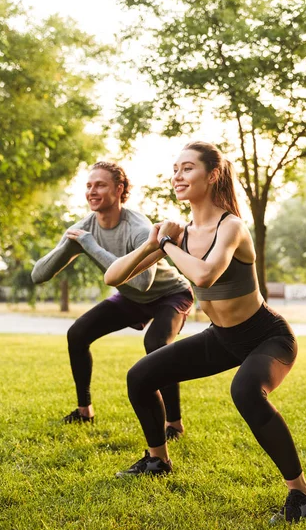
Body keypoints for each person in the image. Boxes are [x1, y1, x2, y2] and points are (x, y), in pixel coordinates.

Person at [104, 142, 306, 524]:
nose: (177, 177)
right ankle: (157, 460)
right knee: (140, 375)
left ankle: (300, 495)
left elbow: (204, 274)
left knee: (246, 391)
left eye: (187, 169)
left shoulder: (230, 226)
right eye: (175, 169)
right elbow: (113, 277)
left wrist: (166, 245)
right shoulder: (179, 235)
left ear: (212, 175)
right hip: (222, 338)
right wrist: (152, 244)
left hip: (267, 336)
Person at [31, 161, 193, 436]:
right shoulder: (83, 227)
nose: (92, 191)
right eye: (89, 186)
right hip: (130, 298)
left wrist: (91, 245)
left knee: (156, 344)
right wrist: (69, 246)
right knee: (78, 334)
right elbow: (38, 275)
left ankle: (173, 424)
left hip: (170, 294)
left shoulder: (138, 227)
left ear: (119, 189)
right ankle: (84, 411)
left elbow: (143, 282)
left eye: (100, 185)